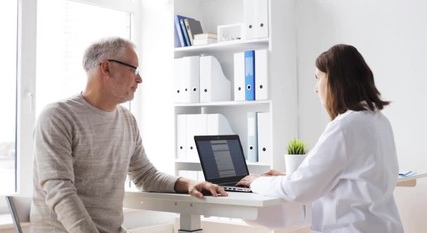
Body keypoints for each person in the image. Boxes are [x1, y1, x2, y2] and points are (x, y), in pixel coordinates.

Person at [31, 37, 227, 233]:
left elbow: (145, 176)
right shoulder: (57, 116)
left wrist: (189, 184)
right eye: (133, 69)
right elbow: (59, 189)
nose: (139, 79)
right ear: (106, 68)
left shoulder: (127, 120)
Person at [237, 44, 404, 232]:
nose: (315, 88)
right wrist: (292, 177)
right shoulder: (379, 121)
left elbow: (298, 189)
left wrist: (256, 182)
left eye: (318, 78)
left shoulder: (345, 126)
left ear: (336, 80)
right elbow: (353, 177)